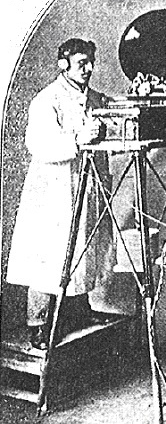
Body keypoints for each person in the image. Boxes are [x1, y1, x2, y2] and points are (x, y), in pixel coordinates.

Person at [7, 38, 115, 349]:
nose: (88, 69)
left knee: (85, 246)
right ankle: (39, 324)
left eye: (91, 62)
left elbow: (115, 125)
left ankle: (81, 310)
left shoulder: (96, 99)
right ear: (63, 65)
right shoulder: (47, 100)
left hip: (85, 184)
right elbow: (38, 144)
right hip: (54, 191)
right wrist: (77, 139)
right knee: (48, 256)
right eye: (82, 63)